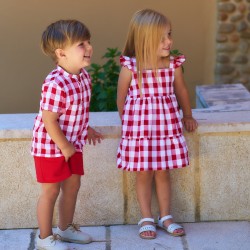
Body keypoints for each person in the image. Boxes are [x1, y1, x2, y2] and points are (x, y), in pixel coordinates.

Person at [117, 9, 198, 240]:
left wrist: (188, 115)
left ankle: (165, 216)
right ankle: (146, 217)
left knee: (163, 173)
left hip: (166, 129)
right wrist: (129, 127)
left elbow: (181, 90)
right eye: (162, 37)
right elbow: (121, 98)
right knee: (143, 175)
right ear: (144, 39)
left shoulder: (172, 65)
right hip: (140, 132)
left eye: (169, 34)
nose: (169, 41)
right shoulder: (131, 67)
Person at [31, 19, 103, 250]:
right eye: (81, 44)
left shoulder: (83, 77)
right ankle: (44, 238)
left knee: (72, 187)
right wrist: (64, 146)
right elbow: (49, 119)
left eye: (88, 42)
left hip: (72, 144)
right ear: (61, 53)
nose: (89, 47)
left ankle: (65, 228)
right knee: (51, 191)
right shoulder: (55, 83)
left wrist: (86, 127)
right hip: (51, 146)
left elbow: (76, 110)